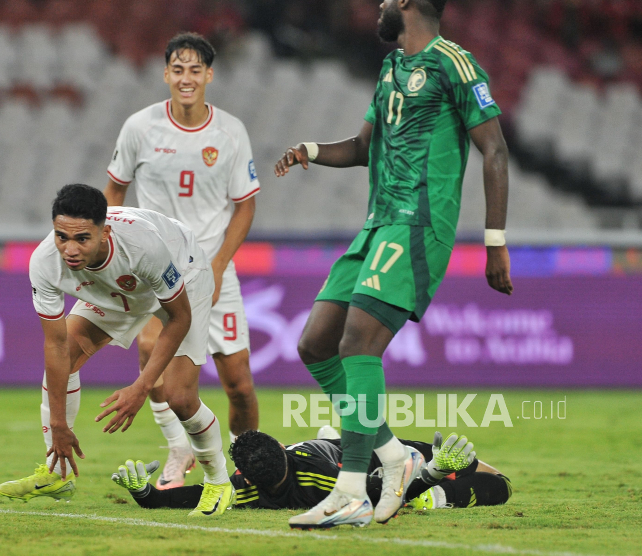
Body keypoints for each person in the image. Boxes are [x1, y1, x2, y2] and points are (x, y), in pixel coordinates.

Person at [273, 0, 513, 529]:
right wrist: (309, 149)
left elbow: (494, 150)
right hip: (378, 222)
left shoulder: (456, 63)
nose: (377, 6)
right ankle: (395, 456)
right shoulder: (390, 68)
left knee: (358, 344)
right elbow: (364, 146)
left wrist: (494, 241)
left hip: (417, 224)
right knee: (315, 343)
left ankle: (352, 489)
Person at [0, 184, 234, 517]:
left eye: (82, 238)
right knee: (67, 362)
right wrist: (60, 425)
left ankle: (218, 482)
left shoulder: (142, 246)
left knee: (180, 397)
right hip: (120, 288)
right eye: (62, 236)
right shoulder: (45, 262)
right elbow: (56, 344)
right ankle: (56, 475)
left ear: (104, 232)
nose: (70, 249)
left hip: (184, 275)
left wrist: (142, 388)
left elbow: (178, 318)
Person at [105, 32, 260, 489]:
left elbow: (245, 204)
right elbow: (115, 190)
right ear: (166, 74)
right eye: (178, 69)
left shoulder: (230, 131)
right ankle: (178, 447)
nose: (186, 78)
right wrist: (121, 250)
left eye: (195, 70)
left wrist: (217, 264)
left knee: (240, 385)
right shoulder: (140, 127)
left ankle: (247, 463)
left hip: (213, 270)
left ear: (209, 75)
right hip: (156, 271)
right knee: (152, 358)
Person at [111, 429, 512, 514]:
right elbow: (185, 497)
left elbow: (389, 491)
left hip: (377, 455)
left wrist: (433, 473)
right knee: (499, 490)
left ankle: (452, 471)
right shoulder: (250, 484)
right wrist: (143, 493)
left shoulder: (245, 489)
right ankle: (453, 478)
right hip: (352, 456)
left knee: (430, 495)